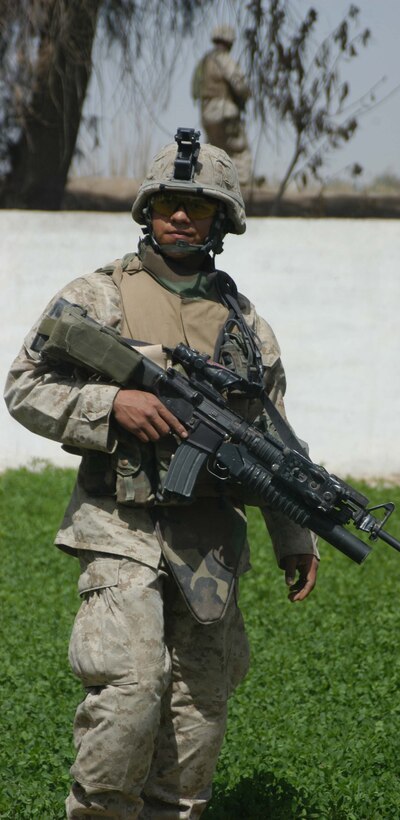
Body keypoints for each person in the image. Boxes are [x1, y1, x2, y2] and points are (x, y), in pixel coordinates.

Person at [4, 130, 319, 819]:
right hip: (118, 523)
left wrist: (294, 537)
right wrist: (110, 402)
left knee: (200, 696)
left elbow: (272, 445)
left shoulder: (247, 328)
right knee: (132, 684)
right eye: (168, 203)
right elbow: (24, 388)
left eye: (198, 207)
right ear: (146, 210)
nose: (180, 217)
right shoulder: (99, 296)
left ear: (221, 222)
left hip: (209, 538)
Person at [191, 25, 252, 187]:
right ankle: (241, 192)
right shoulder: (224, 59)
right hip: (225, 112)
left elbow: (195, 90)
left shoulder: (204, 62)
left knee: (212, 155)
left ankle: (209, 188)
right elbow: (240, 86)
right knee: (239, 153)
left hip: (207, 114)